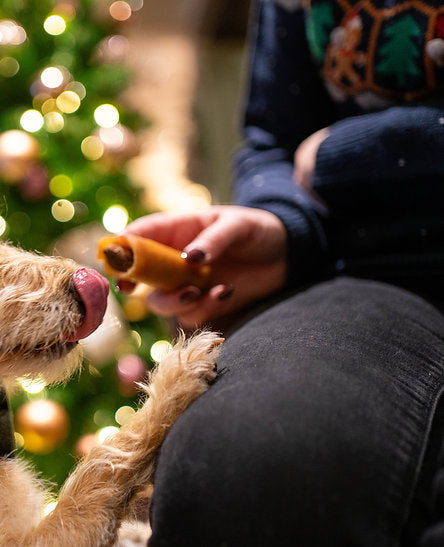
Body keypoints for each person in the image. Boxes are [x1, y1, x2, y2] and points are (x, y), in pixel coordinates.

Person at [123, 1, 444, 544]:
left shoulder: (338, 160)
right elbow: (273, 140)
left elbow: (316, 155)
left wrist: (348, 156)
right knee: (234, 460)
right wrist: (283, 227)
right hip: (369, 275)